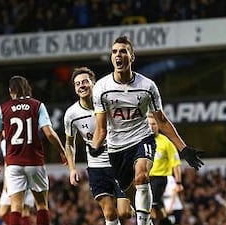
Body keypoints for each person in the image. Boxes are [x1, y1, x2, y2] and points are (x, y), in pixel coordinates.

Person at [91, 36, 204, 225]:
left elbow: (161, 120)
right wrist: (95, 147)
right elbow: (101, 128)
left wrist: (183, 148)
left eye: (123, 51)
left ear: (131, 57)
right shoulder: (101, 88)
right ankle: (147, 219)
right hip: (116, 147)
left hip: (141, 139)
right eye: (114, 52)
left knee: (142, 176)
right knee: (124, 211)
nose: (118, 55)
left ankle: (143, 223)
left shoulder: (147, 86)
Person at [0, 75, 65, 225]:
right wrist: (62, 151)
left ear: (11, 91)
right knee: (41, 205)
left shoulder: (2, 109)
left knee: (16, 207)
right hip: (34, 162)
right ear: (27, 88)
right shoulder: (37, 105)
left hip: (13, 164)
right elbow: (49, 133)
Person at [63, 67, 133, 225]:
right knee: (109, 212)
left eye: (85, 82)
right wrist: (72, 169)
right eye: (77, 84)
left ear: (93, 83)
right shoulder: (72, 114)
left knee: (125, 213)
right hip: (96, 167)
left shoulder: (110, 104)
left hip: (118, 163)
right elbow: (69, 143)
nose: (81, 86)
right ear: (75, 88)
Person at [148, 113, 183, 225]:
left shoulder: (166, 142)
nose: (151, 127)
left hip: (159, 178)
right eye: (149, 124)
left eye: (154, 124)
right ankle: (166, 222)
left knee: (150, 204)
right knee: (156, 206)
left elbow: (176, 163)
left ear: (158, 125)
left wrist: (178, 182)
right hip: (145, 179)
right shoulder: (142, 142)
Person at [0, 138, 35, 225]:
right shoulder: (28, 138)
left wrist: (6, 182)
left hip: (15, 178)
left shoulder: (5, 142)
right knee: (24, 211)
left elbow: (8, 163)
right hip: (29, 176)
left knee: (4, 212)